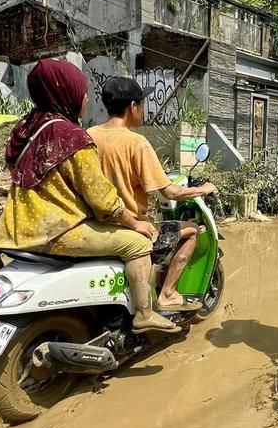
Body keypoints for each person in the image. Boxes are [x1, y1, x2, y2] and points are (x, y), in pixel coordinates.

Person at [0, 58, 180, 333]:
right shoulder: (72, 137)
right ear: (66, 92)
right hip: (58, 230)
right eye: (82, 91)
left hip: (17, 228)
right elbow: (104, 201)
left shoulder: (25, 130)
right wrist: (135, 223)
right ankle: (144, 314)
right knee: (138, 244)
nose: (87, 99)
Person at [89, 77, 218, 310]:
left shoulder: (88, 136)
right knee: (191, 230)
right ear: (133, 107)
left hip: (96, 226)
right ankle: (168, 293)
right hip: (130, 226)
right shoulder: (137, 143)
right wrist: (204, 189)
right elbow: (170, 191)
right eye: (142, 103)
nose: (143, 109)